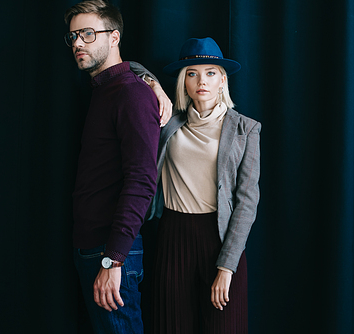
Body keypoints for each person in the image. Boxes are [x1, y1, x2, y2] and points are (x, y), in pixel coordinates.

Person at [64, 1, 169, 332]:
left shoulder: (132, 95)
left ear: (114, 37)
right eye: (73, 37)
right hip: (94, 248)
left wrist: (114, 259)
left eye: (87, 34)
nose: (78, 43)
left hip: (111, 253)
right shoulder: (105, 90)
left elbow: (141, 181)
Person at [147, 37, 261, 334]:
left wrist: (226, 268)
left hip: (221, 242)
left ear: (222, 80)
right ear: (183, 82)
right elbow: (130, 69)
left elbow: (247, 203)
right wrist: (154, 85)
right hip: (173, 237)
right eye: (192, 73)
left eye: (210, 72)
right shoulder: (168, 122)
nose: (202, 81)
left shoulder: (245, 129)